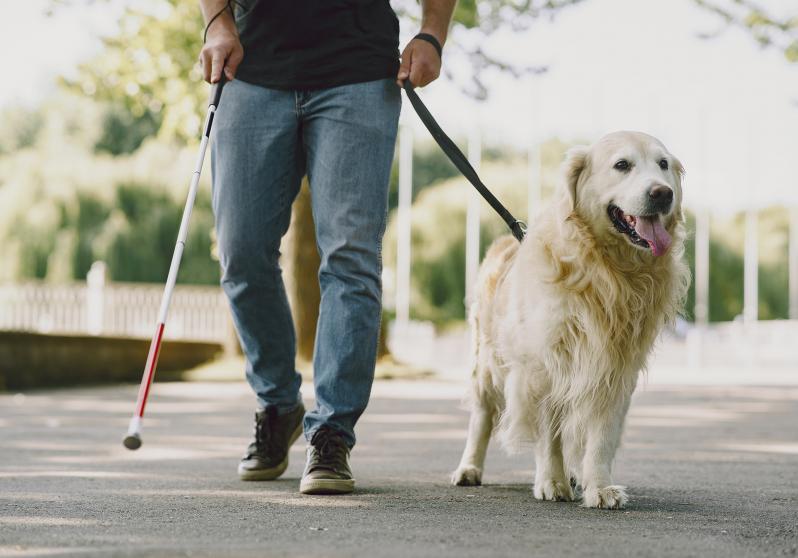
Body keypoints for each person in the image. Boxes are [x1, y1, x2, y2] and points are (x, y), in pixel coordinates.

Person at [198, 0, 455, 495]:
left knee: (350, 258)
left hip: (358, 73)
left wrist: (433, 34)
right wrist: (216, 21)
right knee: (242, 252)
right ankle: (278, 405)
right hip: (252, 70)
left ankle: (332, 431)